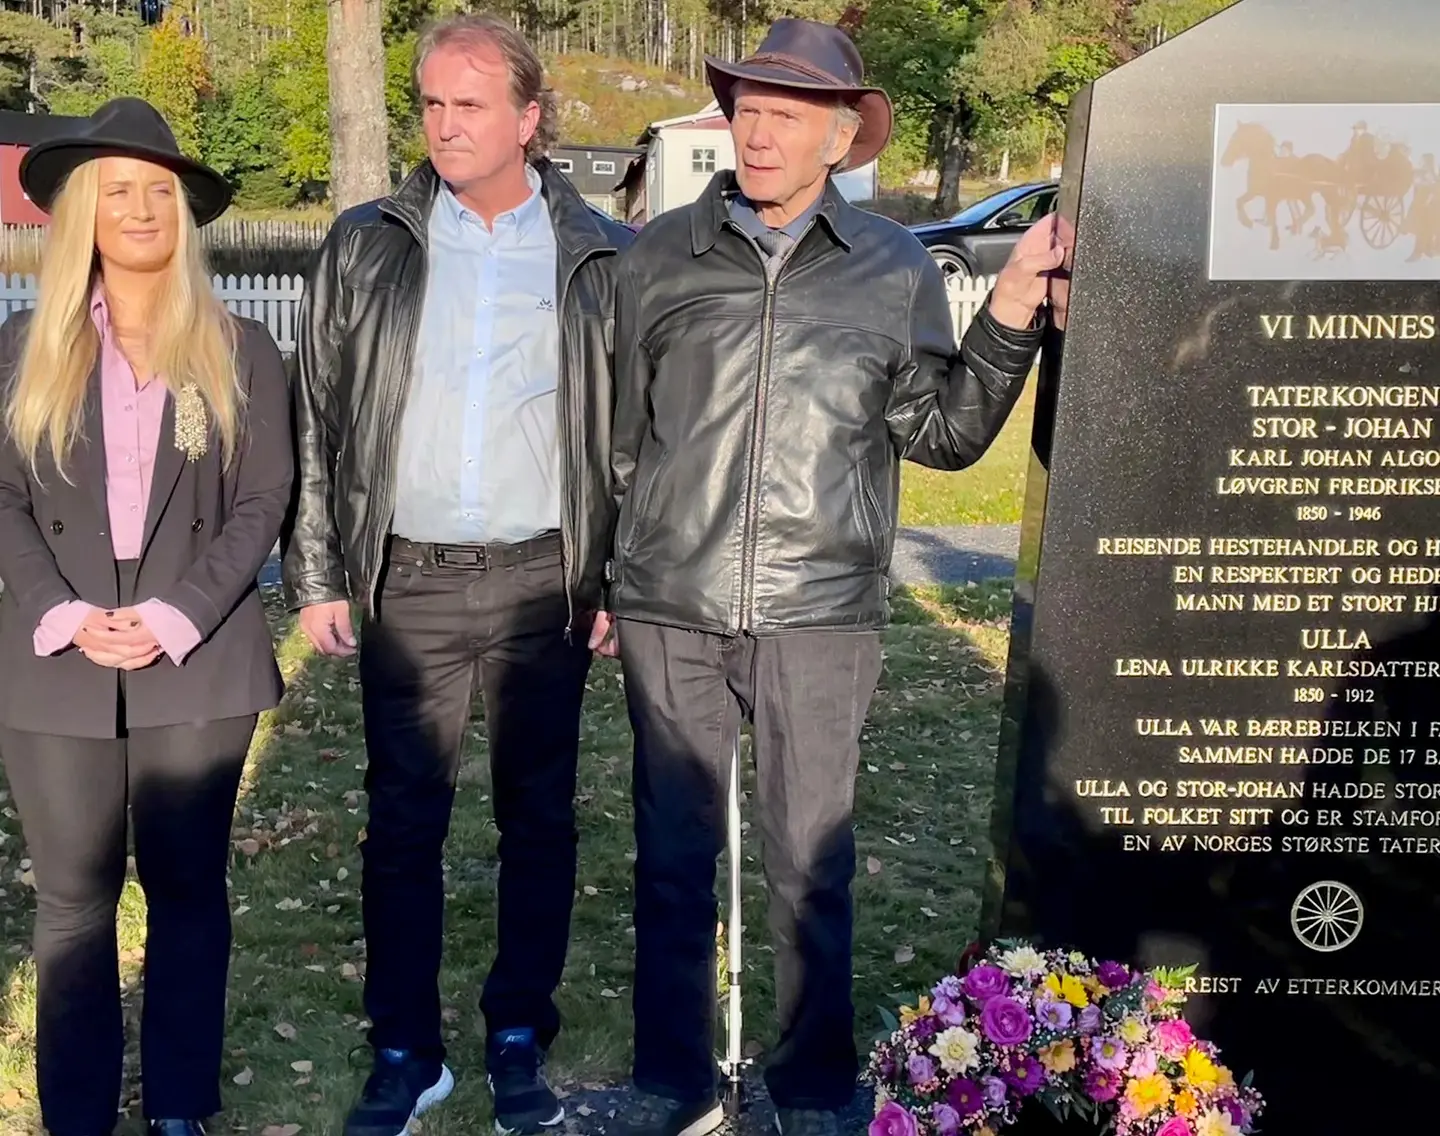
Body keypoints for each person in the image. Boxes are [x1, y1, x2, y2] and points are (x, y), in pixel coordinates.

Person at [593, 18, 1061, 1136]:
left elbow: (942, 434)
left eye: (787, 113)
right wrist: (609, 576)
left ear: (840, 136)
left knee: (812, 864)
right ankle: (673, 1079)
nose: (758, 131)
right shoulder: (658, 253)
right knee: (669, 856)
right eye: (747, 107)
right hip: (672, 603)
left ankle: (811, 1084)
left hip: (822, 610)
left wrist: (1006, 320)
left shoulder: (893, 265)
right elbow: (617, 433)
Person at [282, 12, 633, 1135]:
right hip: (408, 581)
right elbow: (318, 413)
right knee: (402, 821)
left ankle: (519, 1033)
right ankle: (405, 1048)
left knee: (537, 821)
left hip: (544, 582)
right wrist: (322, 569)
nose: (443, 125)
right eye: (430, 103)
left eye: (470, 105)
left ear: (530, 118)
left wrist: (613, 574)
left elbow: (631, 428)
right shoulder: (366, 241)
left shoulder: (599, 253)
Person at [0, 97, 293, 1136]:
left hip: (196, 657)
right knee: (73, 900)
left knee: (186, 888)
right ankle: (75, 1113)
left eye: (158, 191)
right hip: (54, 659)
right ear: (81, 209)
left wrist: (176, 610)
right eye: (117, 190)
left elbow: (265, 497)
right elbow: (3, 499)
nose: (139, 208)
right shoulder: (19, 350)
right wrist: (60, 609)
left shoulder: (240, 347)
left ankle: (179, 1106)